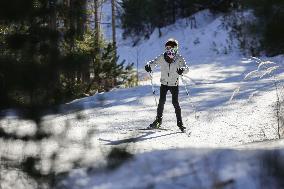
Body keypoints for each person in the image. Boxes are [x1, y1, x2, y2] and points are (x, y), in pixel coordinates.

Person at [145, 38, 189, 132]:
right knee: (161, 102)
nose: (169, 51)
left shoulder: (179, 58)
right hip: (164, 83)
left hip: (174, 84)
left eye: (172, 49)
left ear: (176, 49)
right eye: (167, 48)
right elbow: (153, 63)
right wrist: (149, 66)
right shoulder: (162, 57)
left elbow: (186, 68)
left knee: (175, 103)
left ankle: (180, 123)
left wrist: (182, 70)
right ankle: (158, 121)